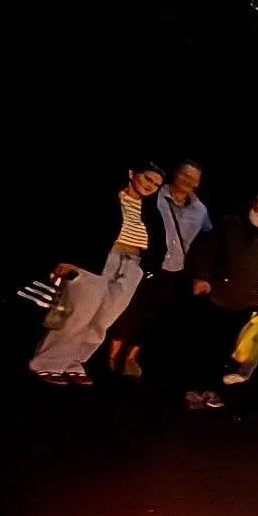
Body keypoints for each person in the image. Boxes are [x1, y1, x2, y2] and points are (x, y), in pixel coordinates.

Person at [30, 162, 168, 386]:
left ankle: (74, 360)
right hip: (100, 259)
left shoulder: (151, 211)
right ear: (133, 173)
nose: (150, 185)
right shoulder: (106, 197)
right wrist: (66, 259)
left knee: (103, 319)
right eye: (147, 178)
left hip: (133, 264)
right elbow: (76, 224)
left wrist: (148, 269)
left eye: (156, 184)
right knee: (80, 313)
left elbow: (159, 245)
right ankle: (47, 362)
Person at [184, 192, 258, 408]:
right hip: (215, 296)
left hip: (247, 304)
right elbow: (207, 250)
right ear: (253, 204)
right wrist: (202, 277)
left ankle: (216, 391)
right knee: (204, 344)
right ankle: (195, 387)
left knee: (232, 351)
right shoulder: (230, 227)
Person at [106, 160, 210, 379]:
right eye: (185, 174)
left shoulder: (200, 210)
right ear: (176, 173)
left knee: (152, 314)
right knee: (127, 309)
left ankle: (131, 357)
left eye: (194, 179)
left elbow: (206, 238)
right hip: (146, 261)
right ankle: (113, 355)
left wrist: (200, 274)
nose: (188, 181)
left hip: (174, 269)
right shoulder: (156, 193)